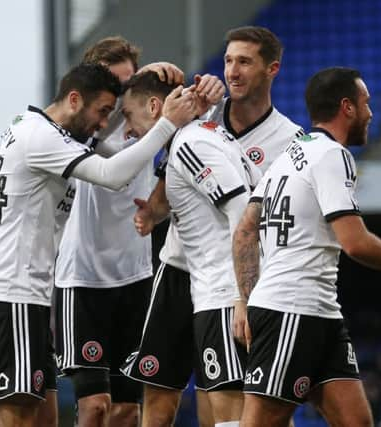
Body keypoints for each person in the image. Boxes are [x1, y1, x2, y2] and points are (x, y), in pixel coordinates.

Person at [0, 62, 197, 427]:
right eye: (103, 112)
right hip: (9, 293)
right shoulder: (40, 138)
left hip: (29, 296)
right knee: (19, 417)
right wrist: (166, 122)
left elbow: (108, 148)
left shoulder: (35, 129)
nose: (106, 123)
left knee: (44, 418)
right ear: (74, 99)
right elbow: (112, 174)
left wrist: (142, 80)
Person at [123, 26, 303, 427]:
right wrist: (152, 211)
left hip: (229, 278)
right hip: (178, 269)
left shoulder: (291, 141)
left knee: (227, 401)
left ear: (272, 69)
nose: (232, 71)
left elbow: (263, 214)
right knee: (158, 398)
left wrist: (250, 292)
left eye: (244, 61)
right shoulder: (204, 118)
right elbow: (151, 116)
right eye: (228, 61)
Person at [232, 66, 381, 427]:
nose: (370, 112)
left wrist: (246, 299)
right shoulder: (332, 156)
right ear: (347, 107)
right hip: (290, 308)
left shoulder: (290, 156)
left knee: (357, 422)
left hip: (319, 311)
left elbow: (246, 229)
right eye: (365, 103)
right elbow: (355, 242)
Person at [54, 36, 224, 427]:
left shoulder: (149, 123)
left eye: (130, 83)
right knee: (95, 406)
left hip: (136, 276)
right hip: (84, 278)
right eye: (117, 84)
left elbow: (192, 128)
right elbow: (117, 169)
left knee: (129, 410)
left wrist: (208, 93)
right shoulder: (86, 130)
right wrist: (150, 83)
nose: (123, 93)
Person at [120, 70, 262, 427]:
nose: (126, 129)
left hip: (223, 292)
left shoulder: (190, 144)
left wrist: (242, 296)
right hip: (206, 285)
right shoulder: (206, 137)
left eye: (128, 116)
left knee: (230, 415)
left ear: (155, 107)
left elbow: (243, 212)